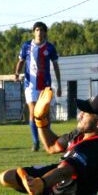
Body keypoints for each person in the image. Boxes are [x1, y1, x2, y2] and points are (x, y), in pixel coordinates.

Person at [0, 90, 98, 195]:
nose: (80, 115)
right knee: (5, 177)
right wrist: (40, 120)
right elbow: (51, 146)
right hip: (58, 183)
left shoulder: (95, 148)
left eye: (86, 113)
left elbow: (65, 171)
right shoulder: (81, 134)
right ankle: (38, 192)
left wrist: (42, 183)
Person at [14, 21, 62, 152]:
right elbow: (21, 61)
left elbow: (56, 66)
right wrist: (17, 73)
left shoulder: (50, 48)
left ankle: (47, 139)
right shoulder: (27, 46)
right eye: (37, 30)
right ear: (33, 32)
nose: (39, 32)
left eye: (41, 30)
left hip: (45, 85)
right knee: (33, 112)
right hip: (30, 85)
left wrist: (59, 85)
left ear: (45, 33)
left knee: (44, 114)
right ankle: (35, 142)